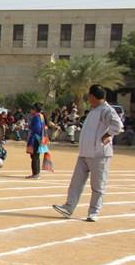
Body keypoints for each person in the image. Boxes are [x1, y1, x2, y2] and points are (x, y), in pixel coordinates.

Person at [53, 85, 124, 223]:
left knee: (98, 185)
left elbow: (118, 125)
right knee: (76, 183)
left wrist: (108, 135)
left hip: (99, 154)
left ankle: (94, 212)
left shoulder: (106, 110)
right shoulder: (93, 110)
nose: (88, 99)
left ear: (92, 96)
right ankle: (68, 207)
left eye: (89, 96)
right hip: (84, 153)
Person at [26, 103, 48, 180]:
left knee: (34, 156)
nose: (30, 111)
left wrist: (30, 128)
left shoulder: (36, 116)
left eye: (32, 109)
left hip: (36, 138)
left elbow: (37, 128)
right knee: (36, 156)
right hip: (39, 138)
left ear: (35, 110)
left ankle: (36, 173)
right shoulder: (41, 116)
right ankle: (36, 173)